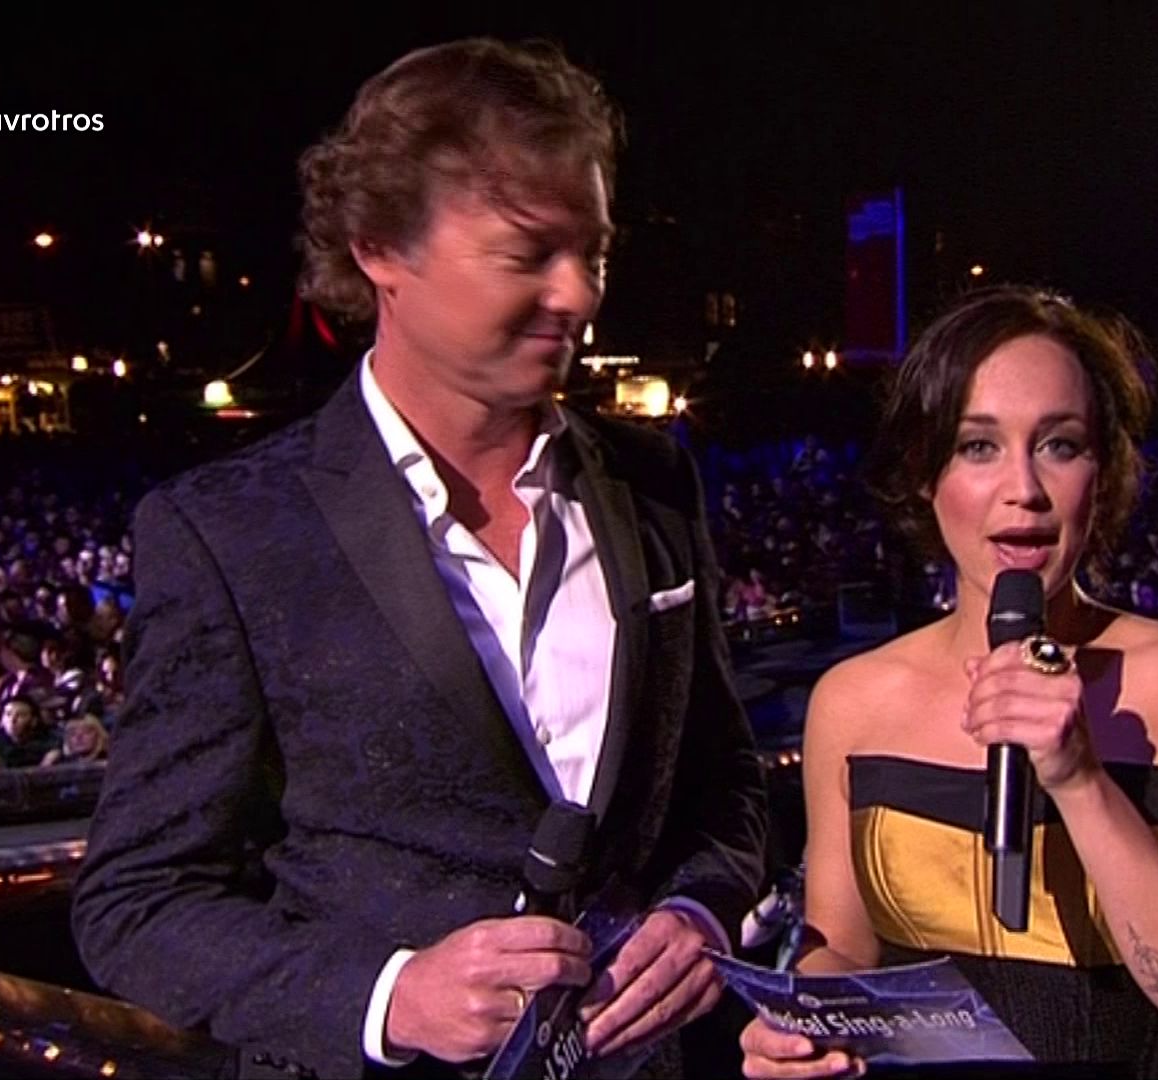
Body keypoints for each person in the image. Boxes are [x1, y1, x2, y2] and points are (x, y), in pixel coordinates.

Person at [71, 39, 768, 1080]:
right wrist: (389, 996)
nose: (578, 295)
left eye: (594, 253)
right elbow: (137, 901)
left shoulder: (655, 483)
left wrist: (702, 908)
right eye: (528, 254)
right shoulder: (233, 532)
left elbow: (724, 782)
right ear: (380, 249)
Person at [739, 286, 1158, 1077]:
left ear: (1105, 471)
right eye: (978, 446)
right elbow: (845, 952)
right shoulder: (852, 700)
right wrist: (800, 1026)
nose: (1024, 489)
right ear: (924, 473)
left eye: (1060, 445)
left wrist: (1079, 779)